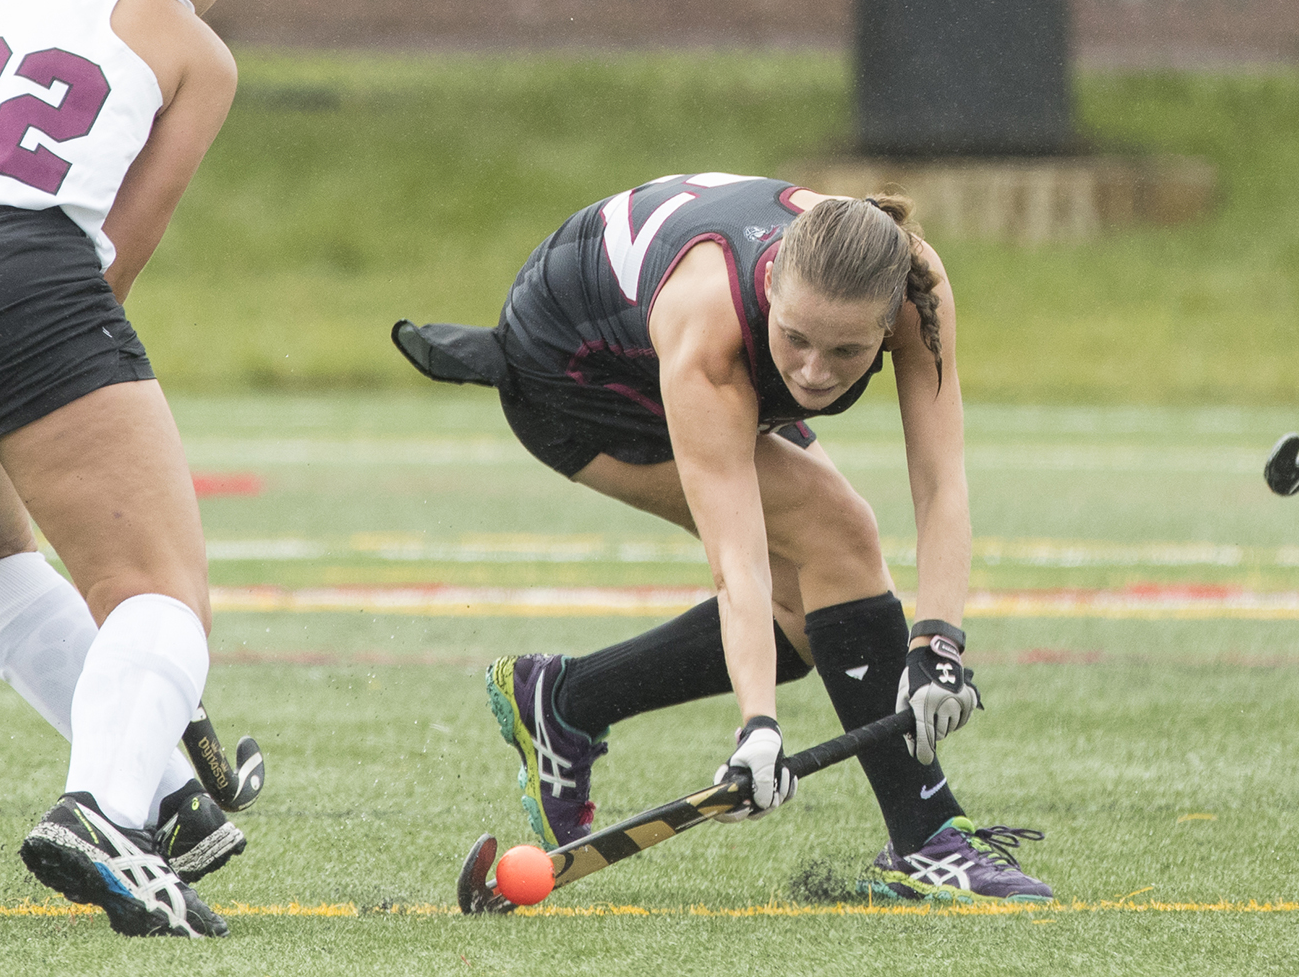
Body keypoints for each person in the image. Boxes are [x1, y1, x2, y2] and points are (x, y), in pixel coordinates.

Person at [395, 173, 1052, 902]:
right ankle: (927, 839)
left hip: (672, 336)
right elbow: (737, 564)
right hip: (575, 371)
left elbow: (940, 483)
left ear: (887, 320)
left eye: (847, 352)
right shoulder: (708, 332)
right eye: (795, 339)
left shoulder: (915, 284)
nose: (813, 372)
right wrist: (758, 728)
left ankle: (563, 700)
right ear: (771, 290)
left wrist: (938, 646)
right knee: (835, 536)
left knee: (814, 613)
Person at [0, 0, 274, 937]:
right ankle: (104, 810)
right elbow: (113, 261)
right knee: (158, 591)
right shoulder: (196, 54)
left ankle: (164, 800)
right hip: (23, 270)